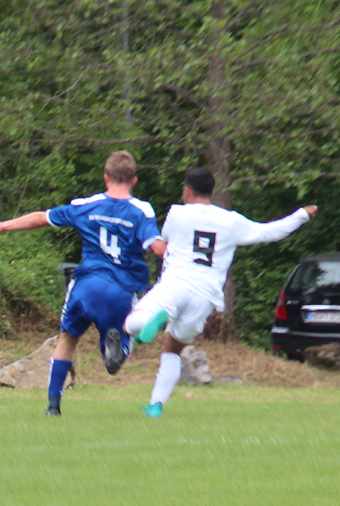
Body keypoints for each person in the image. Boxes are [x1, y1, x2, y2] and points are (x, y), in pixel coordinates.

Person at [124, 167, 317, 418]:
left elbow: (166, 242)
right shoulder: (231, 221)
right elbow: (271, 232)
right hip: (204, 298)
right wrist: (302, 214)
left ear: (187, 191)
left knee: (130, 323)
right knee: (172, 349)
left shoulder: (177, 213)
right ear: (213, 192)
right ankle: (155, 406)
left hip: (175, 284)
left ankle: (149, 324)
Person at [0, 151, 165, 416]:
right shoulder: (141, 210)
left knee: (67, 339)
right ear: (134, 180)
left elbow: (41, 218)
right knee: (125, 337)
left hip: (86, 286)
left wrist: (3, 225)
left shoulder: (86, 205)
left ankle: (53, 407)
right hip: (120, 290)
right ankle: (115, 352)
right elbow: (157, 247)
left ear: (106, 178)